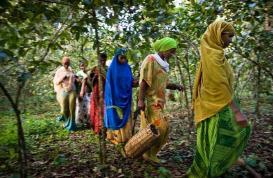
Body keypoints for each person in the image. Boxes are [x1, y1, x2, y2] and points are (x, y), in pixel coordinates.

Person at [186, 19, 251, 177]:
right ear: (219, 35)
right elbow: (220, 84)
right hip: (216, 105)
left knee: (211, 139)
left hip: (211, 105)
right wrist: (236, 111)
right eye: (229, 36)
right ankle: (213, 169)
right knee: (232, 133)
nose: (230, 40)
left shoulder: (213, 54)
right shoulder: (214, 55)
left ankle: (213, 168)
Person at [138, 37, 183, 163]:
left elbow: (163, 83)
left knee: (161, 129)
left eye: (174, 51)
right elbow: (144, 82)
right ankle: (148, 153)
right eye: (171, 51)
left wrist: (176, 86)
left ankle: (151, 153)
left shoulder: (163, 64)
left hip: (159, 102)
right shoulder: (151, 60)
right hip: (150, 101)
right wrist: (140, 100)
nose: (172, 54)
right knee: (161, 127)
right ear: (163, 49)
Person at [104, 48, 138, 144]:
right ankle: (118, 139)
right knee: (117, 116)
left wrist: (134, 81)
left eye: (124, 58)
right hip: (115, 99)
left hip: (126, 97)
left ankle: (127, 139)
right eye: (121, 58)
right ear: (117, 57)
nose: (123, 60)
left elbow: (130, 80)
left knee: (127, 118)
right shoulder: (111, 69)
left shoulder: (127, 67)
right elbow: (109, 87)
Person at [53, 56, 77, 131]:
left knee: (72, 108)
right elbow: (56, 82)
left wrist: (77, 79)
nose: (66, 64)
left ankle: (72, 125)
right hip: (64, 91)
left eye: (68, 63)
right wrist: (63, 78)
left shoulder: (71, 70)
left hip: (72, 90)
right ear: (62, 63)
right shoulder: (59, 71)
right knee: (64, 110)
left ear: (69, 63)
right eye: (65, 63)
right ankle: (67, 122)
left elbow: (74, 79)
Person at [89, 53, 107, 134]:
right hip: (96, 92)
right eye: (101, 60)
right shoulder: (94, 69)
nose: (102, 62)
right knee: (96, 109)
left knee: (104, 109)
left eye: (104, 60)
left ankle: (103, 128)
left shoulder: (107, 69)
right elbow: (90, 83)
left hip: (105, 92)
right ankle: (96, 128)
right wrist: (95, 77)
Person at [75, 61, 91, 128]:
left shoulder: (86, 73)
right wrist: (81, 91)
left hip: (87, 93)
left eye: (83, 66)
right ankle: (79, 123)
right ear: (79, 67)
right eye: (81, 66)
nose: (82, 67)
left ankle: (87, 122)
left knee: (87, 108)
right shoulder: (79, 73)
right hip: (80, 92)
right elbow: (85, 77)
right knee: (79, 107)